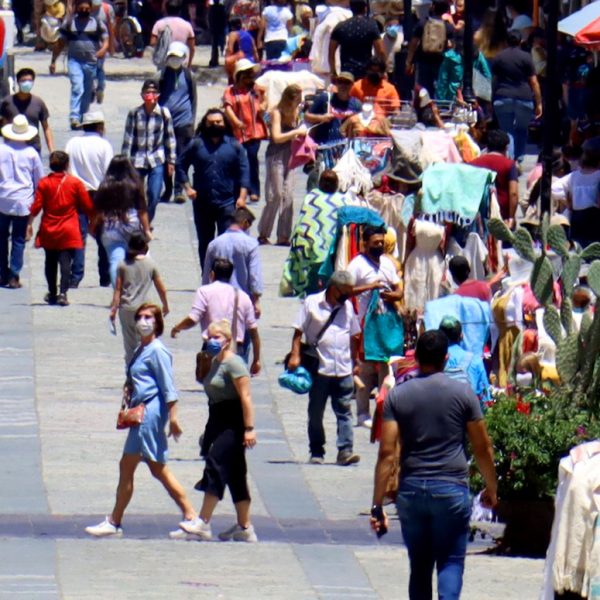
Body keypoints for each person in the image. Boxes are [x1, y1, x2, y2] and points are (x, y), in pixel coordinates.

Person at [370, 329, 498, 600]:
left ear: (416, 357)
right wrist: (491, 488)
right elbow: (482, 447)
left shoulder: (398, 396)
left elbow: (387, 453)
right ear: (446, 358)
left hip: (412, 490)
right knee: (451, 559)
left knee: (419, 565)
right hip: (451, 488)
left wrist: (377, 504)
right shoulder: (464, 394)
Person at [85, 303, 198, 538]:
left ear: (157, 322)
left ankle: (190, 516)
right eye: (140, 317)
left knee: (153, 467)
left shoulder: (158, 351)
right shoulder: (141, 348)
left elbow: (168, 387)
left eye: (149, 317)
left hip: (149, 413)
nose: (143, 321)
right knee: (138, 467)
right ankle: (116, 521)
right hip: (141, 412)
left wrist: (174, 418)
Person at [176, 319, 258, 543]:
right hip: (217, 418)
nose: (212, 341)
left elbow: (246, 397)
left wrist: (249, 428)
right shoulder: (212, 361)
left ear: (228, 340)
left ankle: (203, 521)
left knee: (216, 464)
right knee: (236, 474)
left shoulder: (235, 364)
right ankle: (245, 527)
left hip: (234, 420)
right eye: (209, 337)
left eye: (217, 337)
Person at [288, 270, 361, 466]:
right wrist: (295, 355)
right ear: (334, 289)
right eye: (345, 291)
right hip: (320, 368)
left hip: (343, 368)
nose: (348, 295)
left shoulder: (347, 307)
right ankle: (317, 450)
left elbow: (354, 335)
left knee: (344, 410)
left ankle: (345, 450)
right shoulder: (312, 303)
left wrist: (355, 362)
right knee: (316, 412)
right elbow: (298, 331)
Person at [176, 108, 250, 269]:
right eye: (211, 123)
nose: (215, 125)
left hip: (227, 203)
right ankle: (206, 275)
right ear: (205, 124)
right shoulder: (196, 144)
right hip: (202, 203)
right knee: (205, 243)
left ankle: (223, 276)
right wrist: (187, 188)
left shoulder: (234, 146)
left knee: (226, 242)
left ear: (224, 124)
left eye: (218, 122)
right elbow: (180, 165)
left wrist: (242, 197)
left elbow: (244, 171)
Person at [346, 225, 403, 427]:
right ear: (365, 243)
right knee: (366, 369)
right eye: (375, 243)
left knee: (386, 369)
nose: (379, 245)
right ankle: (362, 413)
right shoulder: (357, 265)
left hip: (386, 325)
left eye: (381, 242)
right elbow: (345, 289)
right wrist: (371, 287)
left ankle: (383, 412)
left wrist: (393, 295)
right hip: (365, 325)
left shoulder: (387, 263)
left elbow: (398, 287)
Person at [27, 150, 94, 306]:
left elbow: (36, 206)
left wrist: (29, 223)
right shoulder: (75, 183)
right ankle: (63, 293)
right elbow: (87, 206)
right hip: (69, 227)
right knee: (66, 261)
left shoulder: (44, 183)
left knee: (50, 261)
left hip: (49, 227)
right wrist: (94, 221)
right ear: (66, 165)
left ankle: (52, 293)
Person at [171, 257, 261, 374]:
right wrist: (256, 359)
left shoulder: (204, 292)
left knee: (212, 383)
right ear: (230, 276)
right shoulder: (243, 296)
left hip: (212, 349)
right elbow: (253, 331)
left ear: (212, 274)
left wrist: (177, 328)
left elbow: (193, 319)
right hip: (236, 351)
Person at [65, 109, 113, 288]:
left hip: (77, 193)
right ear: (100, 126)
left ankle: (76, 275)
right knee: (103, 235)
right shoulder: (104, 145)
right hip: (99, 194)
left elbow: (66, 168)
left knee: (79, 235)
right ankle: (105, 275)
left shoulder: (72, 143)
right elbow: (109, 173)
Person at [257, 84, 307, 246]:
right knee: (276, 194)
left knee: (288, 195)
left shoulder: (298, 113)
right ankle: (264, 232)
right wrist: (295, 132)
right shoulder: (276, 113)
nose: (296, 103)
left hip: (291, 155)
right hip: (276, 155)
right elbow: (277, 137)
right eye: (295, 100)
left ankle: (283, 235)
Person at [122, 80, 177, 222]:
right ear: (142, 95)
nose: (150, 95)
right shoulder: (134, 113)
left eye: (153, 92)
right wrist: (124, 162)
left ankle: (147, 221)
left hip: (157, 159)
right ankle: (137, 222)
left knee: (154, 193)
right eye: (147, 92)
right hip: (137, 159)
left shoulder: (164, 113)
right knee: (135, 195)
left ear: (158, 95)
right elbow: (128, 139)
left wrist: (171, 161)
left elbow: (170, 138)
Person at [110, 233, 169, 364]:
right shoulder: (151, 264)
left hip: (126, 308)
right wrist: (165, 305)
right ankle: (143, 367)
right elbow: (161, 288)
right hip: (144, 310)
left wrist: (114, 309)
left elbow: (118, 289)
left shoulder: (123, 264)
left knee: (129, 345)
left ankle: (131, 370)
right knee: (145, 341)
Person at [0, 116, 45, 289]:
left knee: (1, 237)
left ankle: (2, 273)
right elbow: (39, 180)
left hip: (3, 198)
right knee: (18, 239)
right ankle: (14, 275)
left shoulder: (1, 150)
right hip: (23, 201)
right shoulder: (31, 153)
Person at [49, 0, 109, 130]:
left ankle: (82, 116)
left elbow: (106, 40)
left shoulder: (97, 23)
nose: (84, 11)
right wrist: (53, 61)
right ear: (76, 8)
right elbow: (60, 43)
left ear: (91, 9)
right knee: (77, 87)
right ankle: (74, 117)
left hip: (91, 62)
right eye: (81, 8)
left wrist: (103, 50)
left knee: (87, 91)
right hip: (74, 61)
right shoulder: (69, 23)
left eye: (87, 9)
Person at [94, 155, 151, 286]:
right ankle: (138, 288)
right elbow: (142, 210)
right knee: (139, 259)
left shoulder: (105, 186)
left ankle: (118, 290)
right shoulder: (135, 185)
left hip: (110, 227)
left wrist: (94, 227)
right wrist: (147, 229)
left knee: (115, 260)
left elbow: (99, 210)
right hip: (132, 225)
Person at [491, 29, 542, 162]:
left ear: (506, 41)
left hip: (502, 96)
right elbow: (534, 82)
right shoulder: (526, 57)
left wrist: (492, 99)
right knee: (522, 129)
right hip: (524, 98)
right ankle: (518, 157)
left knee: (507, 131)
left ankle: (510, 159)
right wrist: (539, 103)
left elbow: (494, 81)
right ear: (521, 41)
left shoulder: (499, 57)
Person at [202, 207, 263, 317]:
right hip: (242, 300)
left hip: (218, 300)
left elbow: (206, 274)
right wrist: (256, 300)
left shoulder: (214, 244)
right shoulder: (251, 244)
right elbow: (254, 275)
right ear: (245, 222)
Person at [222, 59, 267, 204]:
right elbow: (228, 107)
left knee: (252, 158)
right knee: (239, 161)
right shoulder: (230, 91)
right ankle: (239, 189)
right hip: (238, 132)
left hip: (254, 130)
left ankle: (254, 190)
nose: (249, 77)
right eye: (246, 74)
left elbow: (264, 100)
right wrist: (235, 121)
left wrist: (263, 106)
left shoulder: (255, 89)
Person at [158, 42, 197, 204]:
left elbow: (193, 98)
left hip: (183, 122)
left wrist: (191, 121)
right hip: (165, 122)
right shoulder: (161, 75)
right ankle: (167, 189)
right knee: (165, 157)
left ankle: (178, 190)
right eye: (172, 56)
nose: (174, 60)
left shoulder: (189, 75)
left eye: (177, 57)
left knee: (181, 157)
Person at [470, 129, 519, 227]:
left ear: (487, 147)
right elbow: (513, 193)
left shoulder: (473, 163)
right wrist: (511, 217)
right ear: (506, 147)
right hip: (502, 217)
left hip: (478, 216)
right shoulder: (509, 165)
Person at [0, 68, 55, 154]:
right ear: (18, 82)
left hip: (33, 147)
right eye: (23, 80)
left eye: (29, 80)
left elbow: (46, 127)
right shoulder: (7, 102)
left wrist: (52, 150)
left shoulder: (38, 102)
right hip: (11, 148)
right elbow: (3, 123)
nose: (27, 83)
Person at [439, 316, 491, 406]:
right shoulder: (475, 361)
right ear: (461, 336)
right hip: (468, 411)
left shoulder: (434, 360)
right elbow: (486, 398)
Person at [405, 0, 454, 95]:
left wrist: (409, 62)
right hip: (440, 61)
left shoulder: (422, 23)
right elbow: (451, 46)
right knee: (438, 89)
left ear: (433, 6)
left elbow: (413, 44)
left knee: (422, 90)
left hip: (423, 60)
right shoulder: (448, 27)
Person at [329, 0, 385, 80]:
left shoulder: (341, 26)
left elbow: (331, 52)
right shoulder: (371, 25)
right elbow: (380, 51)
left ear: (351, 8)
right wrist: (382, 71)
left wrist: (333, 71)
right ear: (365, 8)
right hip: (365, 73)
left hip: (347, 73)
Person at [557, 148, 600, 248]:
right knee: (595, 246)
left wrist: (567, 203)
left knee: (580, 246)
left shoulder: (574, 176)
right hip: (594, 215)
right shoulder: (598, 175)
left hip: (577, 215)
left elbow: (555, 188)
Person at [306, 71, 362, 145]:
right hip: (323, 146)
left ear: (352, 85)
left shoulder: (356, 104)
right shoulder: (325, 98)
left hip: (346, 146)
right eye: (340, 82)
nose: (343, 85)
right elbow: (306, 116)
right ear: (336, 83)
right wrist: (321, 118)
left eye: (347, 83)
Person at [150, 0, 195, 67]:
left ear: (166, 10)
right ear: (179, 11)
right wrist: (189, 64)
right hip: (182, 60)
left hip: (164, 60)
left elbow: (152, 42)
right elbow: (192, 48)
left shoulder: (159, 24)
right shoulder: (187, 25)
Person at [91, 0, 116, 104]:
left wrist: (111, 45)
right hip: (90, 45)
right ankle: (98, 88)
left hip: (101, 45)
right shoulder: (85, 7)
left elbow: (111, 28)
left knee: (97, 67)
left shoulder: (106, 9)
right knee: (97, 68)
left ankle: (96, 89)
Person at [224, 17, 259, 83]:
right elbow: (254, 50)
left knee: (234, 83)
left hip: (240, 63)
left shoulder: (233, 34)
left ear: (231, 26)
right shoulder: (248, 34)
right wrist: (256, 62)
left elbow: (230, 50)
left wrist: (227, 65)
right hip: (250, 62)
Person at [208, 0, 227, 68]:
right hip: (220, 28)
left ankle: (214, 60)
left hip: (214, 28)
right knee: (222, 44)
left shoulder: (212, 8)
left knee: (214, 45)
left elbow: (209, 18)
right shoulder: (222, 7)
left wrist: (210, 27)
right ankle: (215, 60)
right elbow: (224, 18)